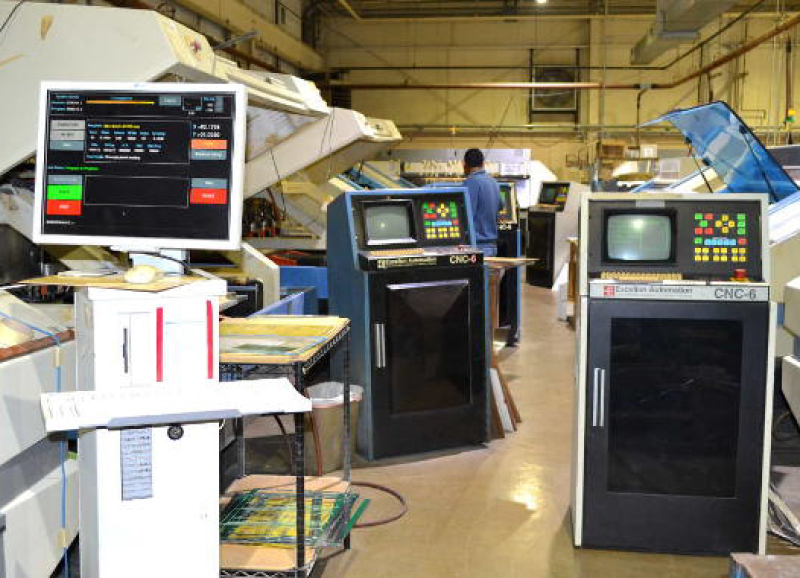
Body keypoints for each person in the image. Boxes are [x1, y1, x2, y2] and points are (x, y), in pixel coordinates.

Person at [463, 148, 502, 257]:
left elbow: (466, 214)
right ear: (483, 163)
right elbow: (500, 206)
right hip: (492, 246)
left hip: (476, 246)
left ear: (465, 165)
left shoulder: (470, 183)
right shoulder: (494, 182)